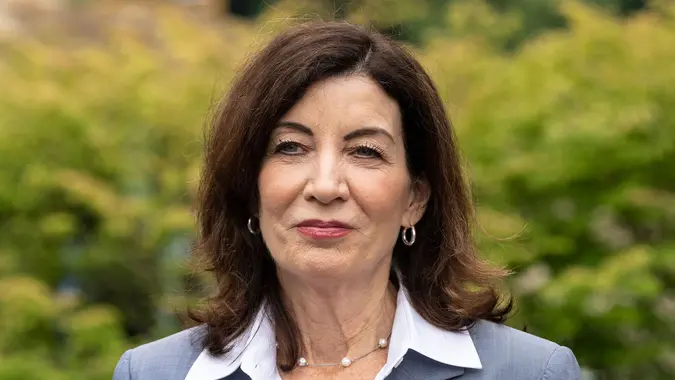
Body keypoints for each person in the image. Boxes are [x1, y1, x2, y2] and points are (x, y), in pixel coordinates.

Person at [113, 21, 581, 380]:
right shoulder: (155, 373)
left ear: (415, 198)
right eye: (290, 147)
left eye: (365, 151)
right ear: (250, 190)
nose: (325, 185)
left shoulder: (530, 372)